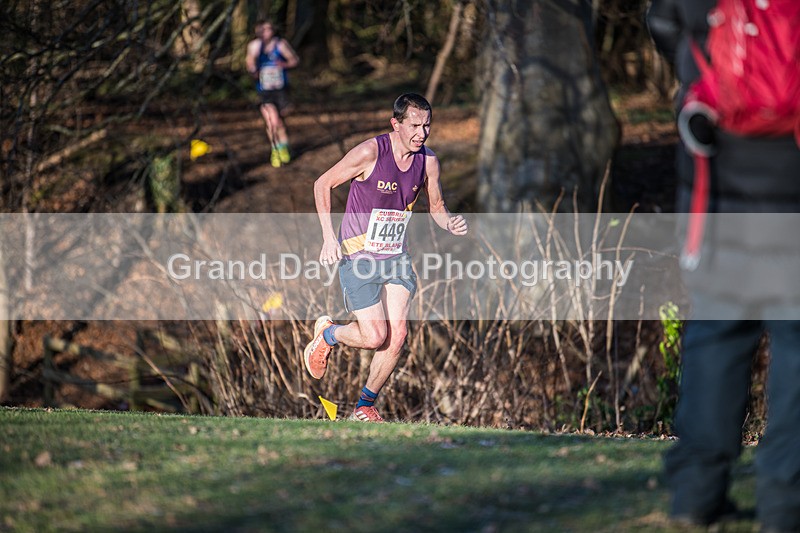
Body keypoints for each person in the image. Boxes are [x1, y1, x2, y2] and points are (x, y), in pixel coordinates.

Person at [648, 1, 800, 530]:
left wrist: (708, 78)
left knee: (716, 336)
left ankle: (696, 493)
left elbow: (664, 23)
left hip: (719, 175)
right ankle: (785, 502)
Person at [304, 93, 468, 422]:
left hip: (396, 256)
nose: (422, 133)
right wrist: (327, 237)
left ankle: (365, 406)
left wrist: (449, 221)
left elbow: (436, 207)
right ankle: (328, 334)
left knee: (399, 335)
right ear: (396, 124)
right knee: (375, 336)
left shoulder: (429, 162)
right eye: (415, 126)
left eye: (427, 125)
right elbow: (322, 184)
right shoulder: (370, 152)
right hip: (358, 256)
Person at [245, 21, 299, 168]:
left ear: (273, 30)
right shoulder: (254, 46)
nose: (264, 31)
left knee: (280, 122)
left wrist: (284, 64)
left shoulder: (280, 44)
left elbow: (294, 60)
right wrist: (253, 69)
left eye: (267, 29)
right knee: (272, 121)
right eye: (261, 29)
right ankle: (276, 150)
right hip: (265, 90)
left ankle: (283, 147)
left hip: (281, 90)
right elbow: (249, 62)